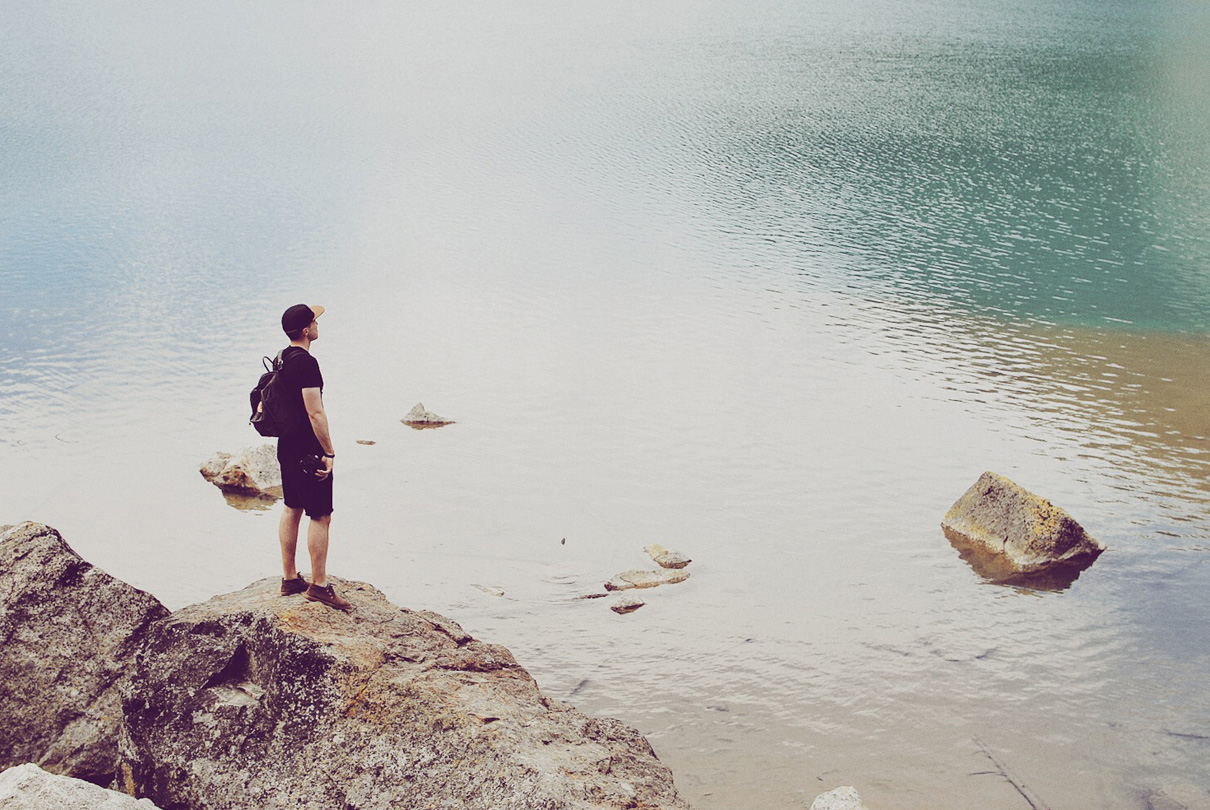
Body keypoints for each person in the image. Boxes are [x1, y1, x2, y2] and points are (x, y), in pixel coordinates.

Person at [275, 303, 351, 610]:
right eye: (315, 321)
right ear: (307, 330)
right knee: (320, 514)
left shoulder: (282, 357)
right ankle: (319, 586)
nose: (319, 324)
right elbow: (315, 411)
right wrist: (329, 452)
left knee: (292, 506)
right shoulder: (306, 363)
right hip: (308, 449)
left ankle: (290, 577)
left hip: (286, 444)